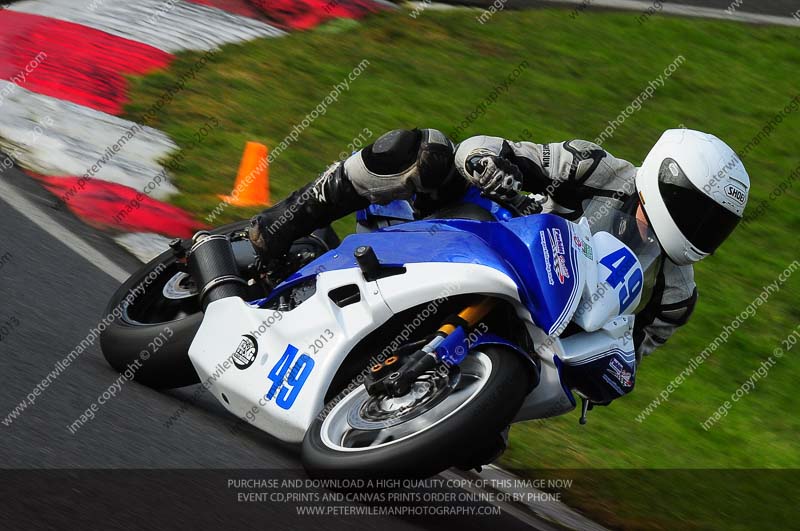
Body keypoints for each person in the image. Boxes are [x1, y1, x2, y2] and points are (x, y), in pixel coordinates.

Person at [248, 127, 750, 406]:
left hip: (539, 329)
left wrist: (612, 372)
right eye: (696, 209)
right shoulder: (595, 167)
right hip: (473, 233)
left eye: (715, 223)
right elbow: (486, 151)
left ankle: (462, 406)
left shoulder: (676, 294)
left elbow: (630, 354)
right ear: (665, 180)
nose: (701, 228)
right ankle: (276, 228)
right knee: (424, 150)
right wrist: (496, 171)